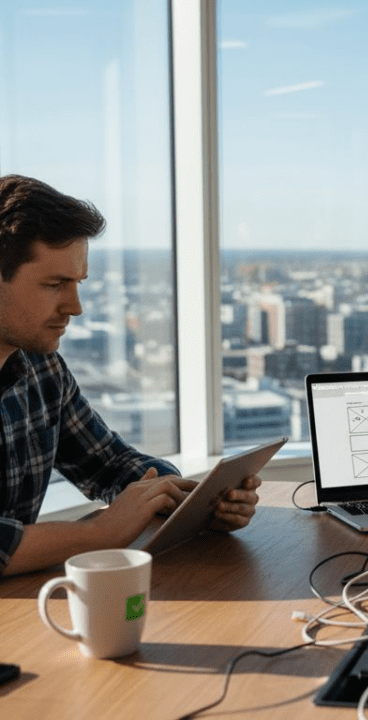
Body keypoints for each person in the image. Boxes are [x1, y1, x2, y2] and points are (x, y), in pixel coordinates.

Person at [0, 174, 261, 577]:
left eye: (78, 283)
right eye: (54, 284)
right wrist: (101, 533)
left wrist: (194, 504)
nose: (75, 306)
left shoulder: (41, 368)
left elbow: (111, 464)